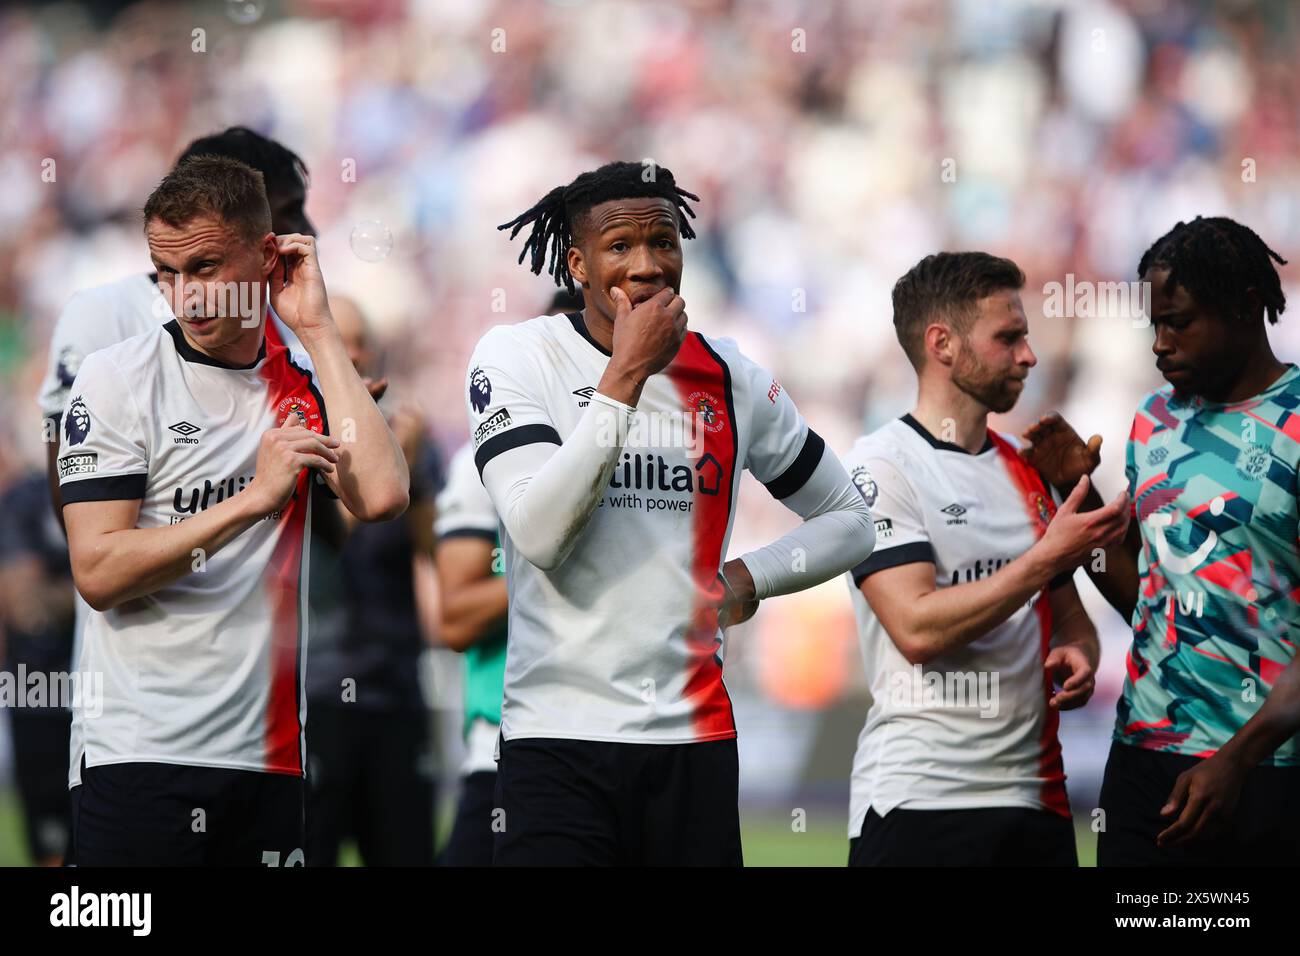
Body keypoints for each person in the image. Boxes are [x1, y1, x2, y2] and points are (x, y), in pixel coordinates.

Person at [469, 160, 876, 865]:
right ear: (578, 264)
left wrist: (750, 579)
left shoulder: (731, 376)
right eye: (620, 246)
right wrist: (625, 375)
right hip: (557, 741)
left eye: (664, 242)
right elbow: (536, 533)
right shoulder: (519, 355)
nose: (649, 264)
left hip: (694, 741)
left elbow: (850, 519)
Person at [57, 155, 409, 865]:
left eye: (207, 267)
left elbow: (381, 495)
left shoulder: (303, 381)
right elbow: (97, 569)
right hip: (137, 756)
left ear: (267, 253)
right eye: (166, 272)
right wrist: (254, 500)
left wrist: (316, 327)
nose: (185, 295)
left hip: (268, 761)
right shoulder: (118, 378)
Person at [1019, 216, 1300, 865]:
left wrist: (1236, 761)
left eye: (1180, 322)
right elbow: (1146, 595)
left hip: (1266, 770)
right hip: (1146, 755)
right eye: (1154, 325)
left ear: (1243, 308)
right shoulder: (1153, 420)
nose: (1160, 344)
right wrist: (1074, 495)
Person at [841, 251, 1128, 866]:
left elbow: (1071, 617)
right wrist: (1042, 558)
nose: (1028, 355)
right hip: (920, 804)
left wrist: (1081, 653)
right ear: (942, 344)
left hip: (1037, 805)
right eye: (1009, 337)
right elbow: (916, 628)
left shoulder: (1027, 468)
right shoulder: (880, 466)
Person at [304, 295, 440, 866]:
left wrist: (411, 480)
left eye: (359, 341)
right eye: (340, 340)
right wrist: (384, 477)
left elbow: (435, 552)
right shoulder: (298, 429)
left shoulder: (405, 436)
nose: (352, 353)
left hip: (396, 687)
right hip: (317, 688)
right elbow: (331, 543)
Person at [0, 471, 76, 865]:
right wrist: (103, 577)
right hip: (40, 696)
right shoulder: (26, 498)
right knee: (52, 849)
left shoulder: (133, 489)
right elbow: (29, 608)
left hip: (117, 702)